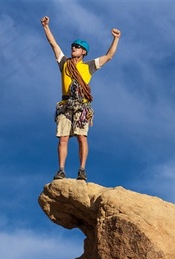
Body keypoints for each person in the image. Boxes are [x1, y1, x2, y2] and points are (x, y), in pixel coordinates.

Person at [40, 16, 121, 181]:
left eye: (77, 47)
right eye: (73, 46)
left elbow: (109, 56)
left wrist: (116, 39)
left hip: (81, 105)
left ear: (83, 52)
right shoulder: (64, 63)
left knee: (81, 137)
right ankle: (61, 169)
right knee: (63, 138)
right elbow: (53, 45)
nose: (73, 48)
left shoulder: (88, 66)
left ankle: (82, 169)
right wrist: (46, 27)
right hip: (65, 104)